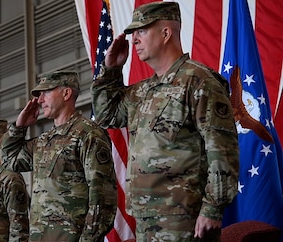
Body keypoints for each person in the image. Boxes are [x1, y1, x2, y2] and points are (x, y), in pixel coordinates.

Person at [91, 1, 239, 241]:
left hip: (183, 217)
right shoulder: (143, 91)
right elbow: (107, 115)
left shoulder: (199, 81)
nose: (134, 40)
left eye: (141, 31)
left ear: (166, 33)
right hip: (146, 218)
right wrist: (111, 70)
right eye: (133, 33)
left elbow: (222, 149)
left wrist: (213, 208)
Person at [0, 70, 118, 241]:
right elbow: (9, 159)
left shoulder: (88, 134)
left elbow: (103, 197)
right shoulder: (43, 141)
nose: (40, 100)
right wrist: (18, 127)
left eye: (46, 92)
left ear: (66, 93)